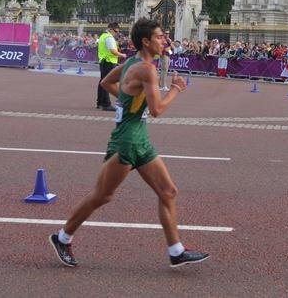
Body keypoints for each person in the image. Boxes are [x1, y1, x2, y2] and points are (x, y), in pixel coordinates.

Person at [49, 18, 210, 268]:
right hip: (128, 141)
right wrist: (176, 90)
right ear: (145, 42)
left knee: (168, 192)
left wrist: (128, 103)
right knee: (103, 196)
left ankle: (176, 251)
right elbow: (156, 110)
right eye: (159, 37)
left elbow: (107, 83)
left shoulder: (130, 64)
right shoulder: (147, 69)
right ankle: (62, 237)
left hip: (139, 139)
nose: (164, 41)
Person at [97, 22, 127, 111]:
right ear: (110, 29)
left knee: (102, 82)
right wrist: (122, 55)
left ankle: (100, 102)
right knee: (108, 82)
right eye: (116, 31)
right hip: (109, 62)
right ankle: (106, 104)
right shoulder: (109, 37)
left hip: (104, 61)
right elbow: (113, 51)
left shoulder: (103, 36)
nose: (117, 33)